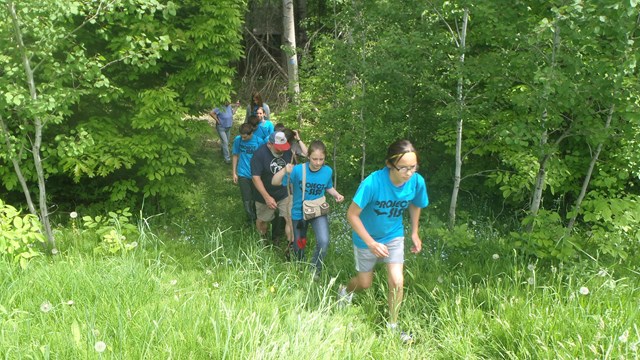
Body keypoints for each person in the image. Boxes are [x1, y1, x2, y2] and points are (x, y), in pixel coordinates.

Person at [337, 139, 428, 343]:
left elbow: (415, 203)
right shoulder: (372, 182)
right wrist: (370, 243)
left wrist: (414, 231)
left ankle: (393, 326)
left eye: (413, 167)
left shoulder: (416, 181)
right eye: (403, 168)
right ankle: (345, 290)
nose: (409, 173)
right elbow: (352, 215)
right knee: (364, 283)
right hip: (367, 238)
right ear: (390, 164)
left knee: (397, 280)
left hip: (393, 235)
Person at [272, 140, 344, 279]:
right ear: (308, 156)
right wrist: (284, 171)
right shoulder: (298, 170)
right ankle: (299, 267)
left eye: (321, 159)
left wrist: (336, 195)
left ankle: (314, 270)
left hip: (318, 211)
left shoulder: (327, 171)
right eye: (314, 159)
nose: (317, 163)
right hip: (299, 213)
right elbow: (275, 182)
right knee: (300, 243)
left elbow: (328, 186)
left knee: (323, 241)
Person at [251, 131, 294, 244]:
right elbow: (256, 178)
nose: (283, 150)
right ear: (269, 144)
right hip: (264, 193)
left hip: (284, 192)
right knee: (262, 221)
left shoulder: (287, 151)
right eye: (279, 147)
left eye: (284, 147)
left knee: (290, 219)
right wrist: (267, 197)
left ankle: (290, 249)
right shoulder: (259, 154)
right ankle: (263, 241)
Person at [232, 123, 265, 226]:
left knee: (256, 198)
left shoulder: (259, 141)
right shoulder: (238, 140)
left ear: (251, 133)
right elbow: (235, 155)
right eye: (241, 136)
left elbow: (263, 159)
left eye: (245, 136)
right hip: (243, 173)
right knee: (246, 198)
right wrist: (234, 172)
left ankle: (257, 218)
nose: (243, 138)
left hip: (256, 175)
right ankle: (250, 219)